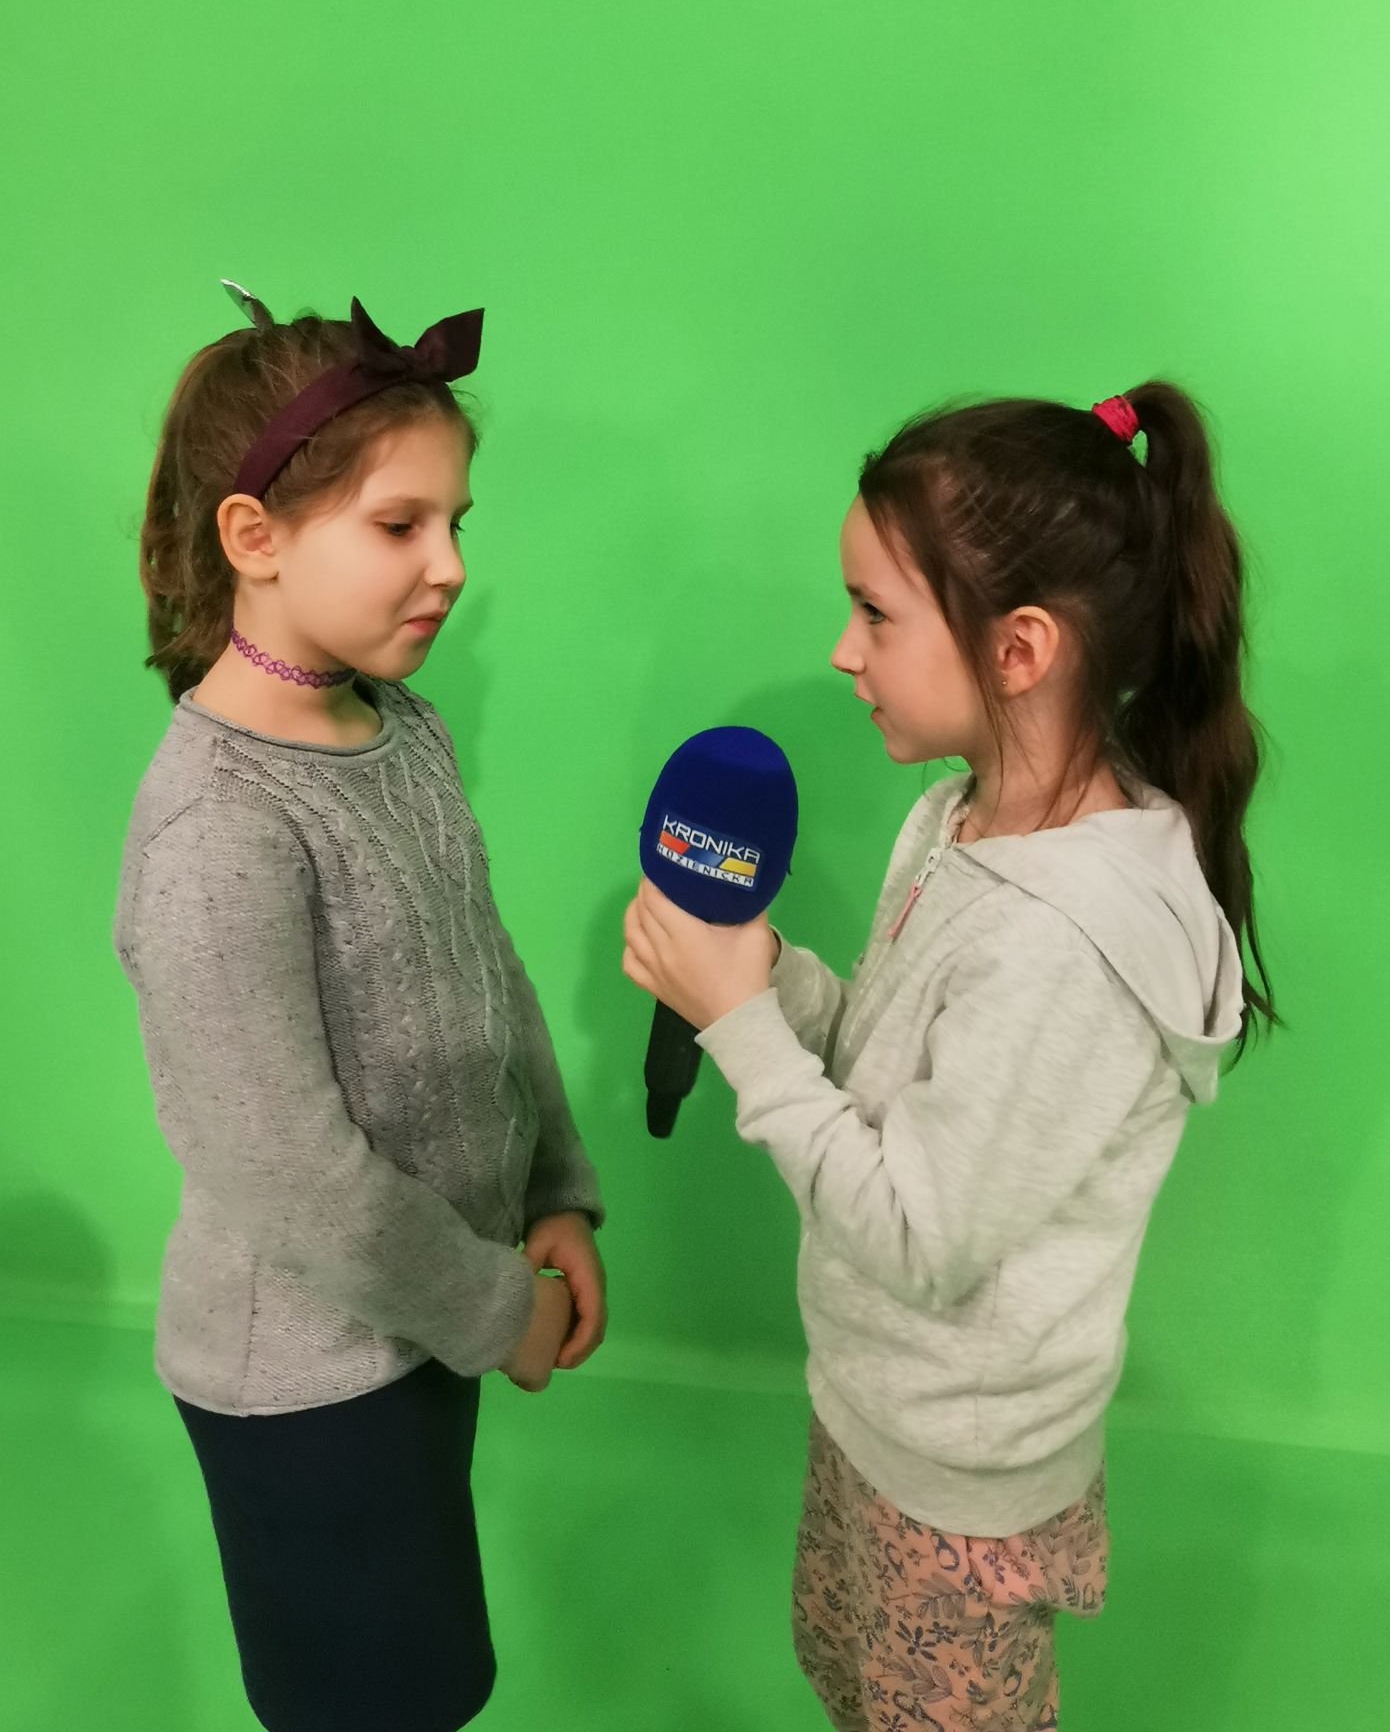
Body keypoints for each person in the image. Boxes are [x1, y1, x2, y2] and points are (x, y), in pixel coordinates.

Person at [623, 383, 1275, 1730]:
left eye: (875, 613)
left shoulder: (1064, 945)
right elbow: (892, 1060)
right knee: (849, 1680)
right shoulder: (955, 819)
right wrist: (767, 976)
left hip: (960, 1486)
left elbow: (922, 1234)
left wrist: (739, 1029)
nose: (842, 651)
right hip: (876, 1409)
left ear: (1019, 648)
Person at [113, 285, 605, 1732]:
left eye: (456, 522)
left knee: (428, 1681)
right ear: (253, 538)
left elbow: (487, 969)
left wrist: (555, 1192)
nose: (450, 567)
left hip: (425, 1324)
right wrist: (499, 1311)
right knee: (373, 1701)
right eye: (401, 526)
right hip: (308, 1388)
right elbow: (288, 1171)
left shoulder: (404, 732)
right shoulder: (219, 827)